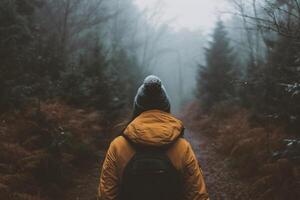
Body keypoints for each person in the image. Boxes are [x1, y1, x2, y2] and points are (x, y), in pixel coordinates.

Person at [99, 75, 209, 200]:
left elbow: (106, 196)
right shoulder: (182, 148)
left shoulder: (118, 146)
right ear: (166, 107)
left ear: (137, 107)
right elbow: (198, 197)